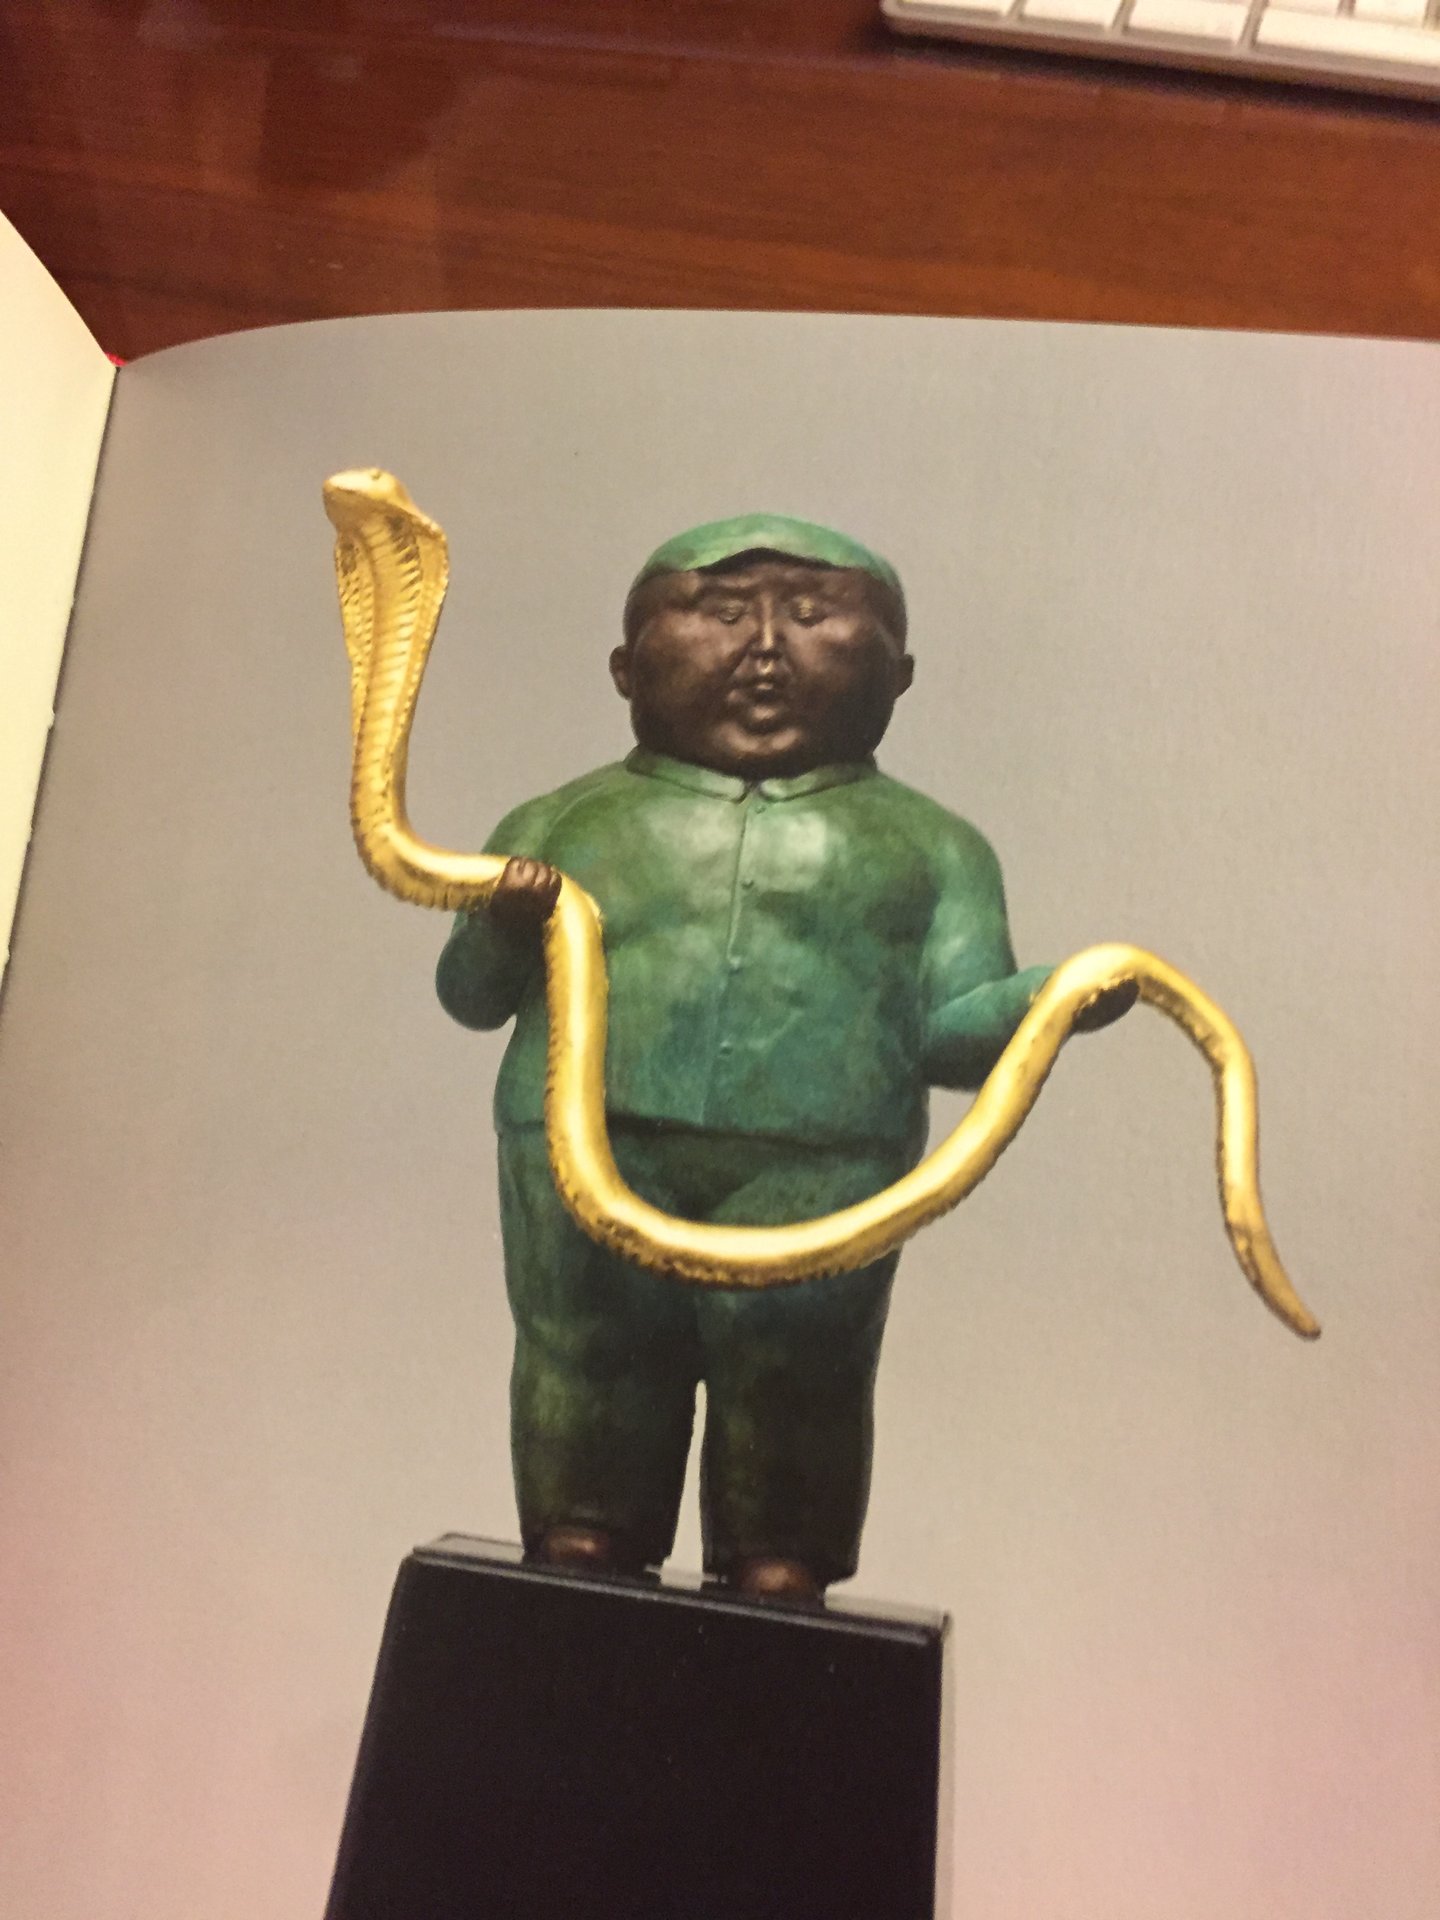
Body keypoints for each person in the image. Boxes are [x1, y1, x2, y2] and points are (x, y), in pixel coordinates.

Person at [436, 513, 1132, 1600]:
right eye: (721, 614)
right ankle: (582, 1545)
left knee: (803, 1373)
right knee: (587, 1353)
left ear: (900, 675)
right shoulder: (564, 820)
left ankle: (780, 1567)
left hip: (823, 1162)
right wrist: (501, 925)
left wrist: (1051, 1001)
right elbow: (469, 996)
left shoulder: (933, 847)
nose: (765, 648)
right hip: (584, 1146)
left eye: (810, 615)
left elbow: (953, 1030)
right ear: (625, 668)